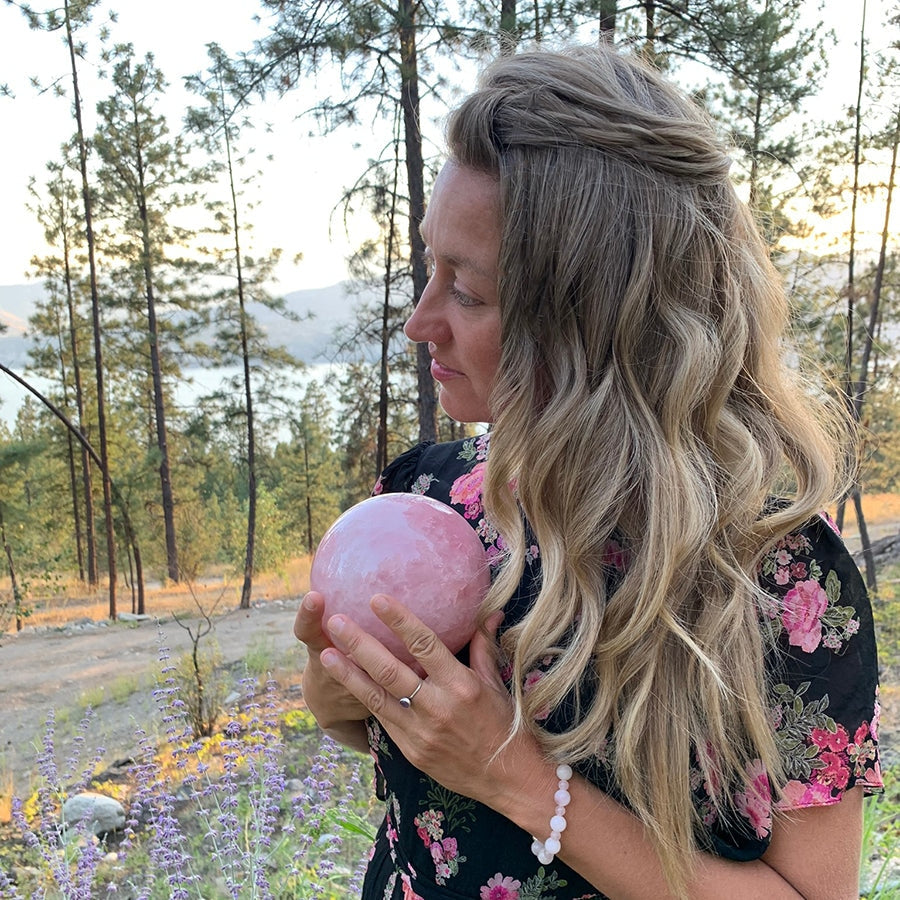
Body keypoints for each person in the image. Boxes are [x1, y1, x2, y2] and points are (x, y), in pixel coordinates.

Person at [294, 44, 882, 899]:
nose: (422, 323)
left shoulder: (773, 577)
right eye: (431, 267)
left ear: (589, 318)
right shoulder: (426, 503)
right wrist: (340, 673)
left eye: (470, 292)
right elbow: (371, 735)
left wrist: (524, 782)